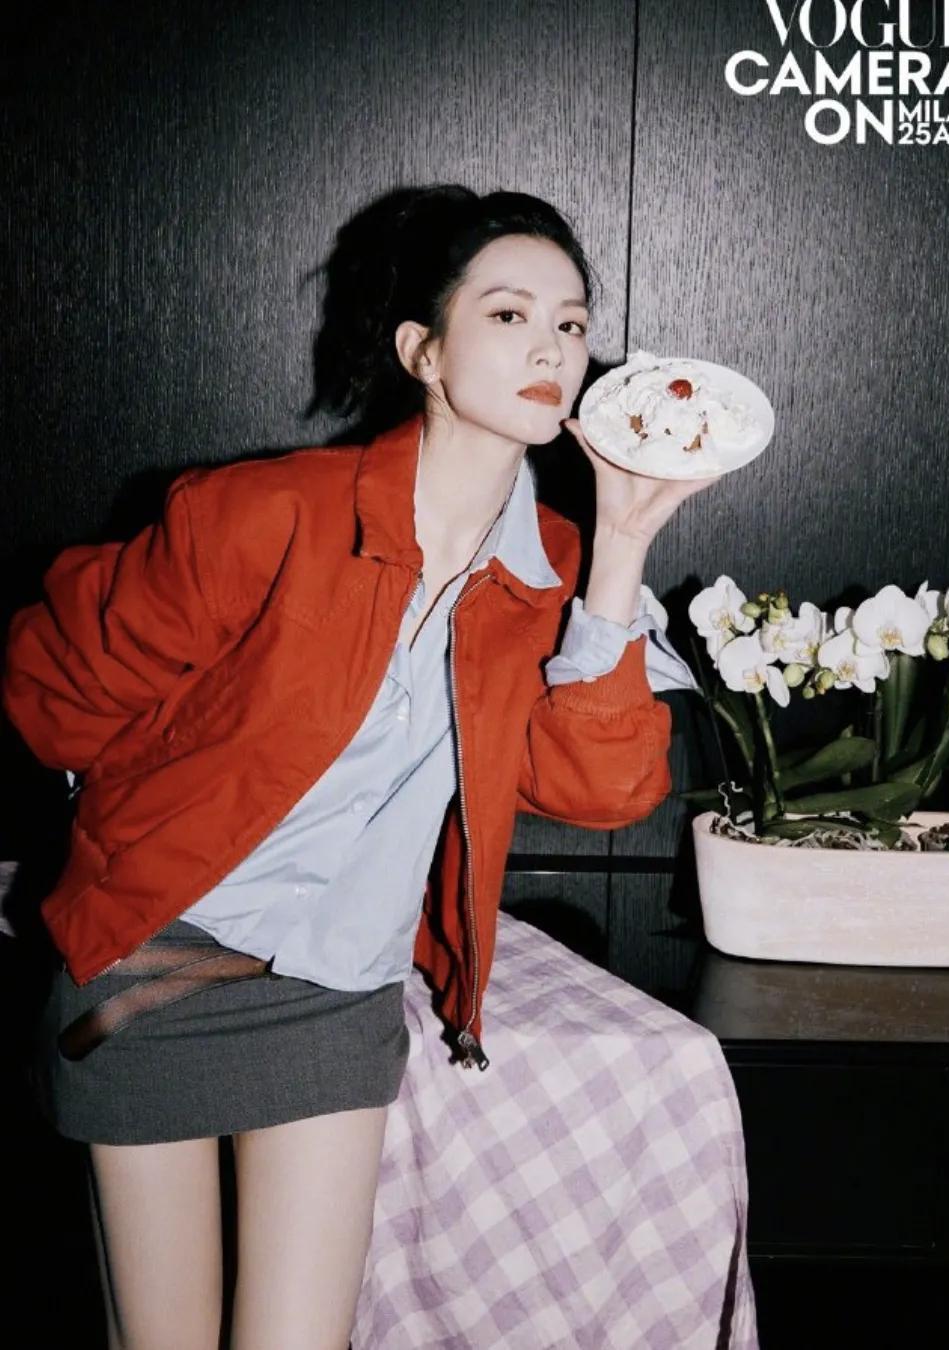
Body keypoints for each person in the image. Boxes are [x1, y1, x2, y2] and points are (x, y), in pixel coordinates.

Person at [1, 185, 718, 1350]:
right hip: (153, 967)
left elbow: (600, 791)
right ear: (421, 351)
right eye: (507, 315)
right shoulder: (266, 514)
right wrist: (144, 802)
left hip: (336, 992)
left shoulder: (556, 569)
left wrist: (624, 543)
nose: (550, 347)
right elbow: (53, 691)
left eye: (572, 324)